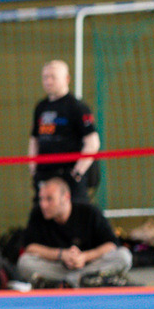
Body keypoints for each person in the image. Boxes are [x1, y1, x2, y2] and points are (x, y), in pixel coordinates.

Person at [17, 177, 132, 288]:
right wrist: (61, 255)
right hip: (58, 268)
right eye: (41, 199)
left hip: (88, 265)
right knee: (24, 262)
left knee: (124, 256)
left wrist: (84, 257)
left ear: (66, 197)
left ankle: (67, 282)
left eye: (49, 199)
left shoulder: (90, 212)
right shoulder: (37, 214)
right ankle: (82, 281)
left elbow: (111, 244)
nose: (43, 204)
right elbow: (30, 247)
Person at [28, 60, 100, 203]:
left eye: (53, 77)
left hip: (69, 176)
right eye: (45, 77)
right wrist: (34, 170)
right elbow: (34, 140)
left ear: (66, 79)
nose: (48, 81)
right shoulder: (41, 107)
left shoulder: (77, 107)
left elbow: (92, 143)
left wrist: (77, 173)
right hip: (45, 174)